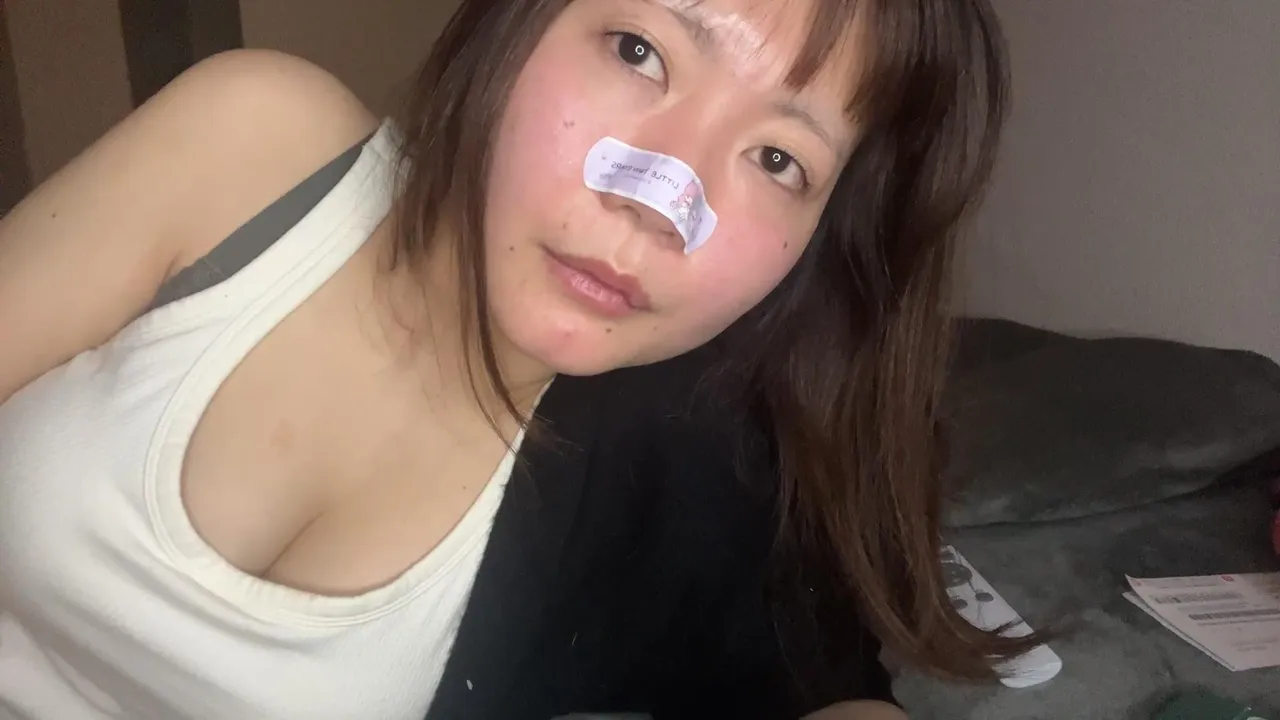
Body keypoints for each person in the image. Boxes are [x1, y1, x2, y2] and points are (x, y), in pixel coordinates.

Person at [0, 0, 1036, 717]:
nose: (659, 196)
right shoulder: (253, 148)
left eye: (778, 159)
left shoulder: (683, 458)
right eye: (638, 50)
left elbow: (814, 684)